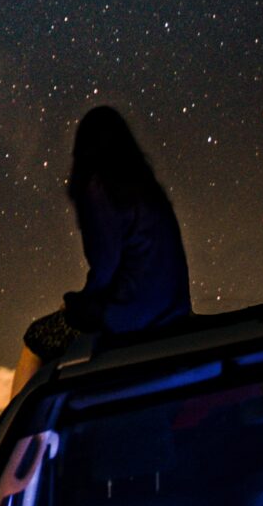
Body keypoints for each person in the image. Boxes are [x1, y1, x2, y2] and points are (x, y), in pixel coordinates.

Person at [10, 106, 192, 397]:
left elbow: (105, 269)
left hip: (132, 318)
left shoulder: (101, 189)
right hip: (172, 311)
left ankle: (21, 430)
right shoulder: (148, 190)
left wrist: (77, 304)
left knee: (37, 339)